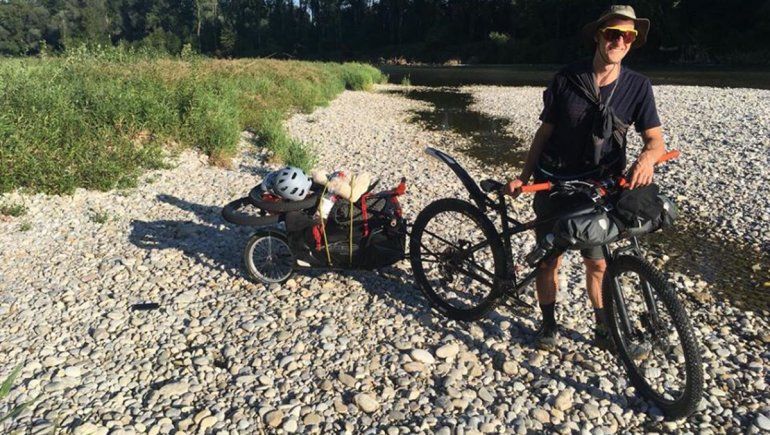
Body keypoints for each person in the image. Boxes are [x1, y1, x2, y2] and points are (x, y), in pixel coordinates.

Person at [504, 5, 667, 350]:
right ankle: (548, 325)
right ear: (598, 36)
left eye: (627, 36)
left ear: (633, 42)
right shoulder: (567, 78)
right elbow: (543, 133)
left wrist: (647, 159)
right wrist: (523, 176)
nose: (619, 41)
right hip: (554, 183)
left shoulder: (638, 87)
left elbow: (655, 141)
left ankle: (603, 329)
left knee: (597, 262)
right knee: (550, 258)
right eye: (612, 34)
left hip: (598, 190)